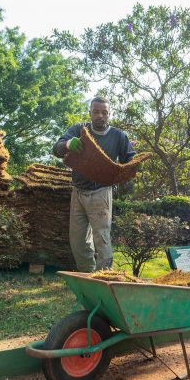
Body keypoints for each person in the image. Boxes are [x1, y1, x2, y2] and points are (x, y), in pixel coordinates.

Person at [53, 97, 136, 272]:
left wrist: (133, 165)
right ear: (90, 113)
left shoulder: (118, 136)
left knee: (102, 240)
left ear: (109, 114)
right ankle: (87, 278)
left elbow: (131, 159)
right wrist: (68, 144)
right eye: (96, 111)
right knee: (78, 241)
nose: (100, 115)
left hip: (101, 192)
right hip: (78, 192)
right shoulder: (79, 130)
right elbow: (57, 149)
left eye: (104, 112)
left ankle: (104, 279)